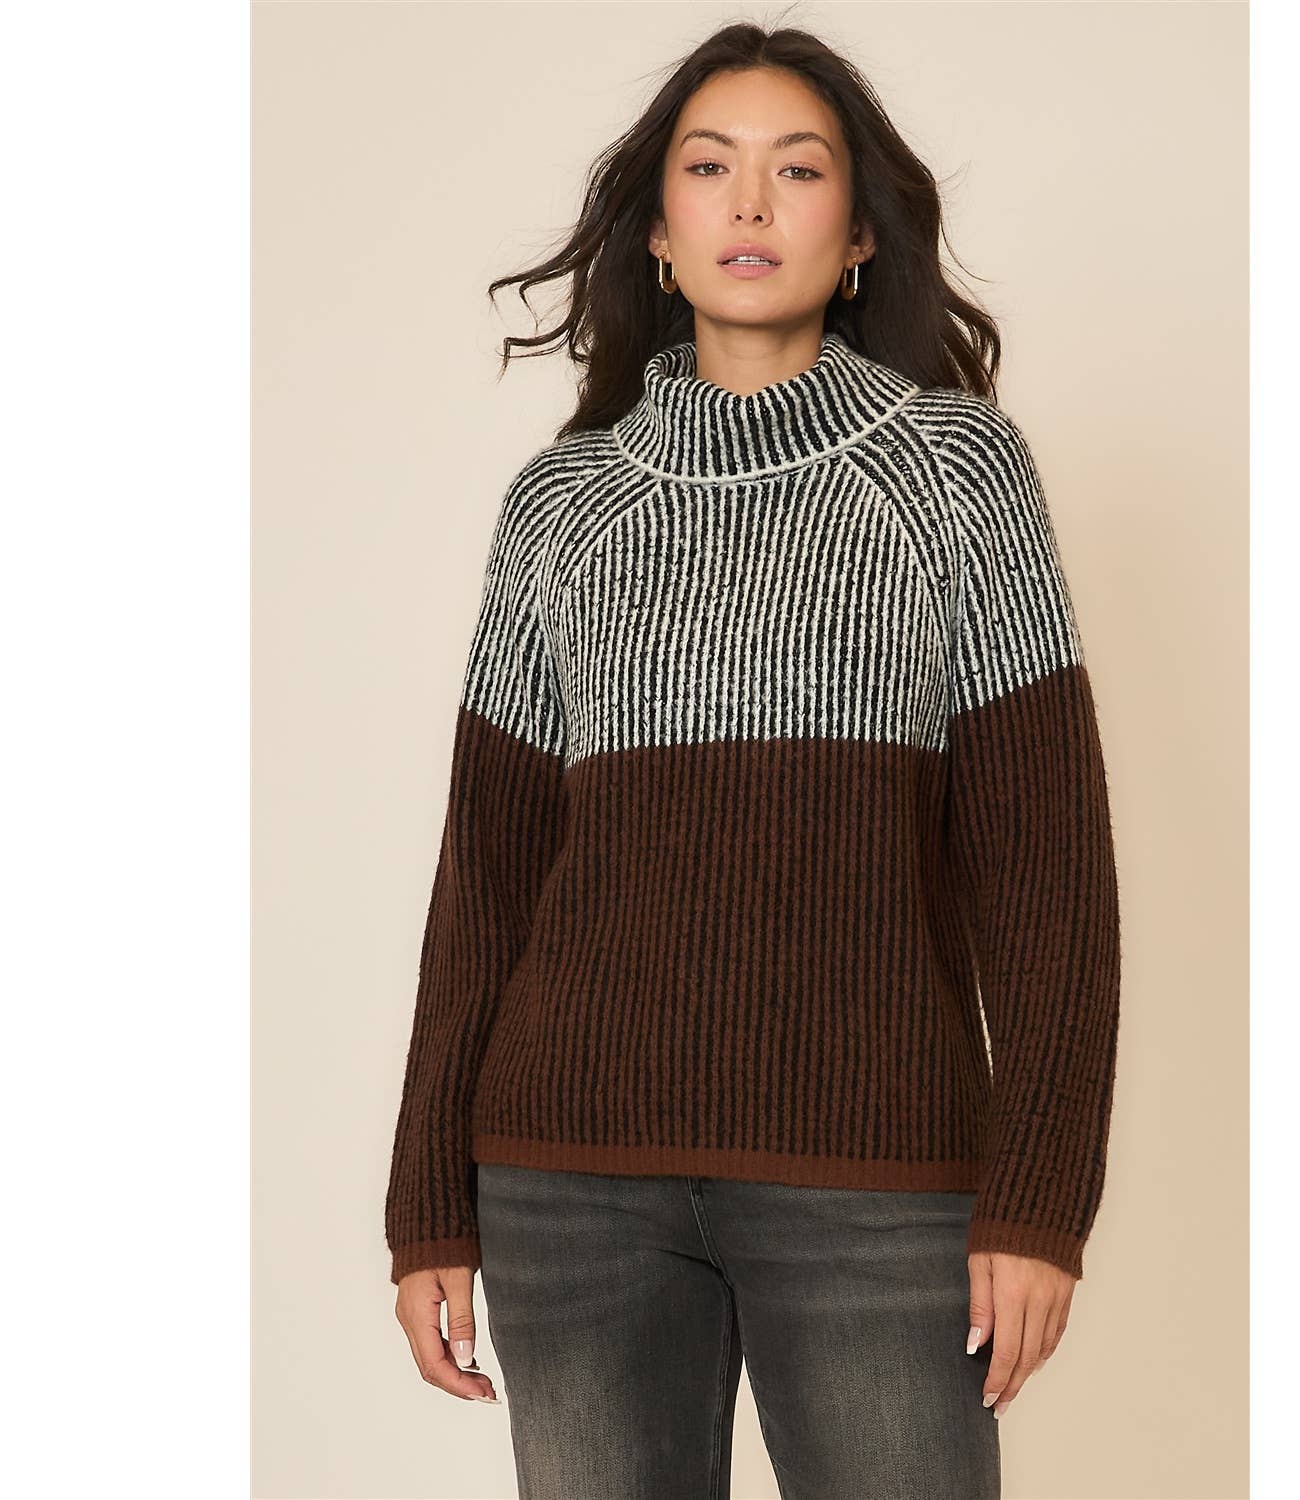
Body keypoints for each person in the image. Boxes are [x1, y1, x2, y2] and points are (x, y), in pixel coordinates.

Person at [384, 21, 1121, 1500]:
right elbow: (488, 882)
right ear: (658, 233)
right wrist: (428, 1208)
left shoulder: (956, 474)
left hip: (875, 1179)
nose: (751, 202)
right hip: (570, 1178)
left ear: (860, 235)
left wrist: (1040, 1199)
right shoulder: (562, 506)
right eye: (710, 167)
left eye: (800, 169)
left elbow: (1048, 875)